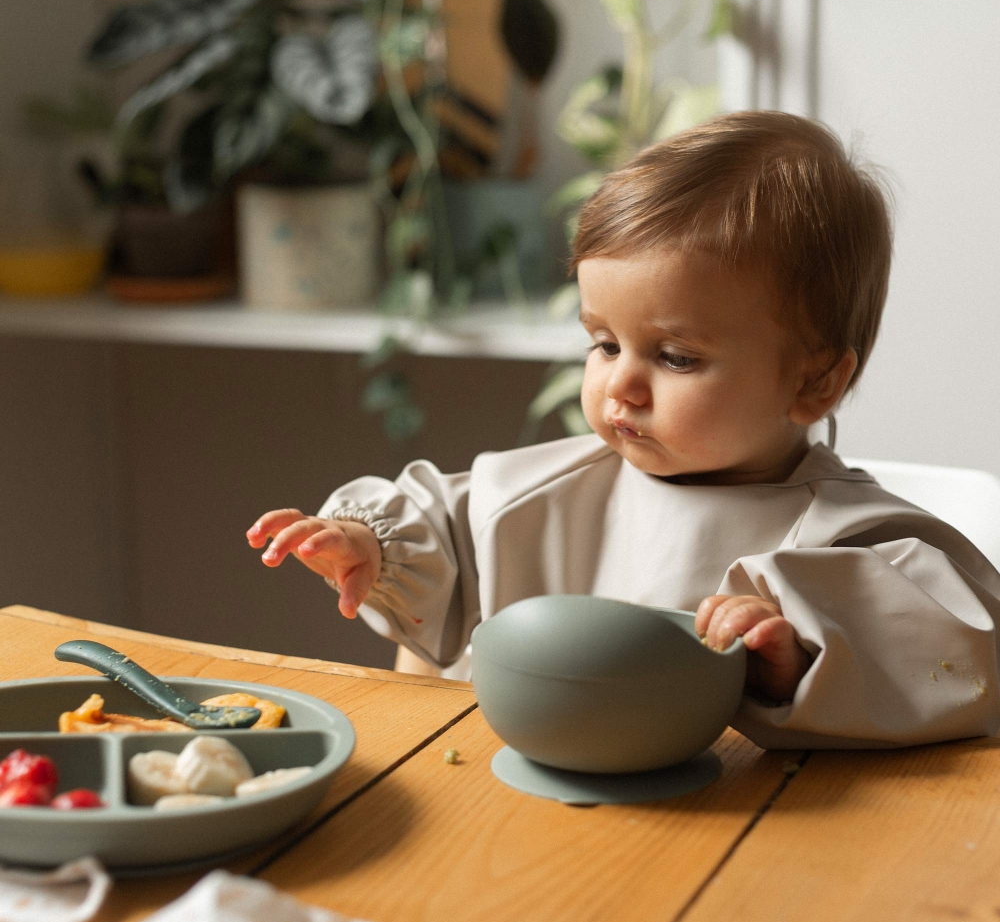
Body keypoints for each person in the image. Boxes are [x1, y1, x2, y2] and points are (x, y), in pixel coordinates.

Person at [247, 111, 1000, 749]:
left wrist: (794, 656)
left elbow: (959, 656)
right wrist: (365, 545)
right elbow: (441, 534)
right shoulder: (535, 494)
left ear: (814, 381)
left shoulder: (845, 543)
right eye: (604, 343)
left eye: (675, 357)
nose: (621, 384)